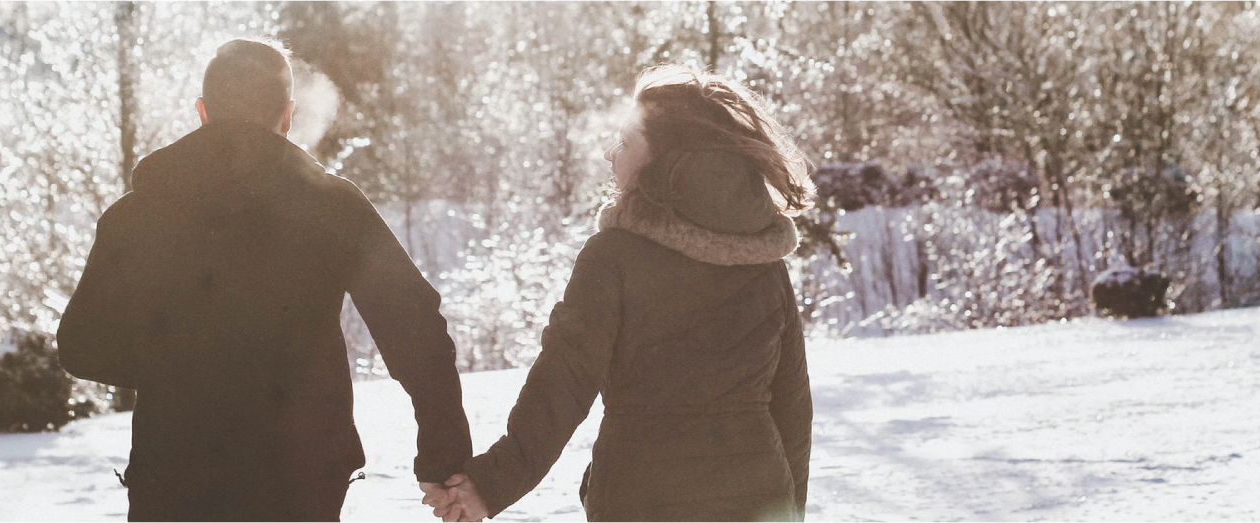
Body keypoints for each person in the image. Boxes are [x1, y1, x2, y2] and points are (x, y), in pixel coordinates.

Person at [56, 38, 471, 522]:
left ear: (202, 111)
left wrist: (182, 363)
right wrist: (444, 459)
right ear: (287, 115)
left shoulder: (133, 216)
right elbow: (416, 330)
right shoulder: (333, 207)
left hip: (173, 477)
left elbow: (81, 346)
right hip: (301, 480)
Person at [423, 64, 816, 523]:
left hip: (642, 498)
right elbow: (793, 409)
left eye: (626, 143)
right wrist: (789, 511)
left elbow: (563, 382)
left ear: (665, 160)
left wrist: (490, 485)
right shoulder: (763, 262)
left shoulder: (613, 256)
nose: (610, 155)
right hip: (757, 496)